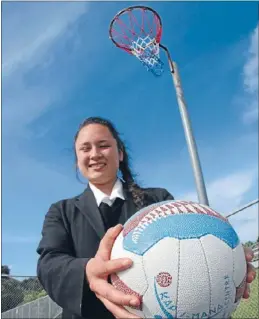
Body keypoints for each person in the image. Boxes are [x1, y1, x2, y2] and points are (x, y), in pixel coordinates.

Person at [37, 117, 256, 319]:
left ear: (120, 153)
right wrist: (87, 272)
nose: (94, 154)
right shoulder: (61, 211)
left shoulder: (159, 200)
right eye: (85, 149)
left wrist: (224, 258)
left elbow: (189, 255)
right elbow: (49, 265)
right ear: (78, 160)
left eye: (103, 145)